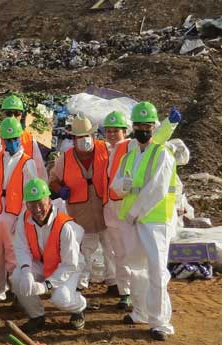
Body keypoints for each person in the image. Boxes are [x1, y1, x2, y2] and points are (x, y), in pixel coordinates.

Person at [110, 101, 178, 341]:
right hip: (132, 221)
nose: (142, 129)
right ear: (133, 127)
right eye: (138, 125)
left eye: (147, 125)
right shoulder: (128, 156)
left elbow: (156, 190)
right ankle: (140, 312)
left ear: (154, 126)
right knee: (136, 269)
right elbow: (114, 185)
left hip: (154, 221)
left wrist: (134, 212)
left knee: (156, 270)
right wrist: (121, 186)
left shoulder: (162, 154)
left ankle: (160, 322)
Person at [11, 178, 87, 333]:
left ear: (49, 201)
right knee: (18, 278)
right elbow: (21, 247)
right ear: (26, 204)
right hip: (42, 263)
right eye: (32, 204)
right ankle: (37, 316)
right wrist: (26, 271)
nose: (37, 209)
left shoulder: (64, 225)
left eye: (40, 203)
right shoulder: (23, 219)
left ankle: (79, 307)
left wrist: (46, 286)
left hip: (67, 267)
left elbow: (69, 264)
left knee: (61, 298)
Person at [48, 114, 110, 291]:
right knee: (84, 252)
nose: (84, 140)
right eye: (79, 137)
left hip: (105, 209)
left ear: (93, 135)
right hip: (81, 213)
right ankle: (81, 285)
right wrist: (60, 190)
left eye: (87, 136)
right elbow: (52, 180)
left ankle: (115, 284)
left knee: (112, 251)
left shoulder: (106, 150)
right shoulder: (64, 159)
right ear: (74, 139)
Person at [0, 117, 39, 304]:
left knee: (14, 256)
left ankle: (17, 292)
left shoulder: (27, 162)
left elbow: (31, 192)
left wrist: (24, 217)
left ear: (20, 138)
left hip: (15, 215)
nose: (11, 143)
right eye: (8, 140)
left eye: (14, 139)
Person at [0, 95, 47, 180]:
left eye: (17, 114)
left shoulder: (29, 140)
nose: (12, 117)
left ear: (21, 116)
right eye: (9, 113)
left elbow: (40, 171)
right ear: (2, 114)